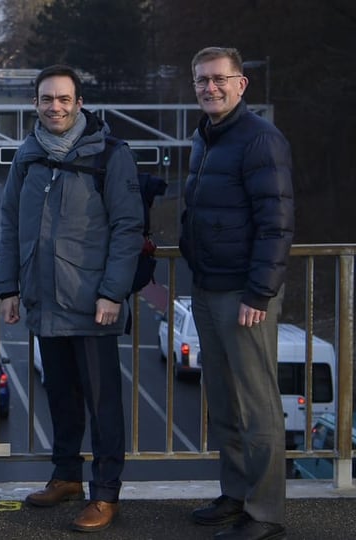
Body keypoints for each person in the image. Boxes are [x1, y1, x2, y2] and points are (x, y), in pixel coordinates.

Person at [0, 65, 144, 533]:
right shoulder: (29, 155)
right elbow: (10, 224)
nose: (54, 107)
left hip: (92, 301)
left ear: (79, 103)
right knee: (60, 394)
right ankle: (66, 476)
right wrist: (8, 287)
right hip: (43, 298)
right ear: (35, 104)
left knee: (103, 405)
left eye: (63, 99)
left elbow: (128, 229)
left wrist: (112, 292)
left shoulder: (110, 155)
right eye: (46, 99)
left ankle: (105, 494)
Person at [181, 47, 293, 540]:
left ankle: (265, 513)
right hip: (208, 287)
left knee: (256, 404)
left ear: (241, 84)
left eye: (219, 79)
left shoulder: (260, 140)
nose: (210, 88)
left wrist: (259, 293)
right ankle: (235, 494)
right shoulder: (204, 138)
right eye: (202, 81)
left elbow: (277, 223)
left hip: (245, 295)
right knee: (224, 402)